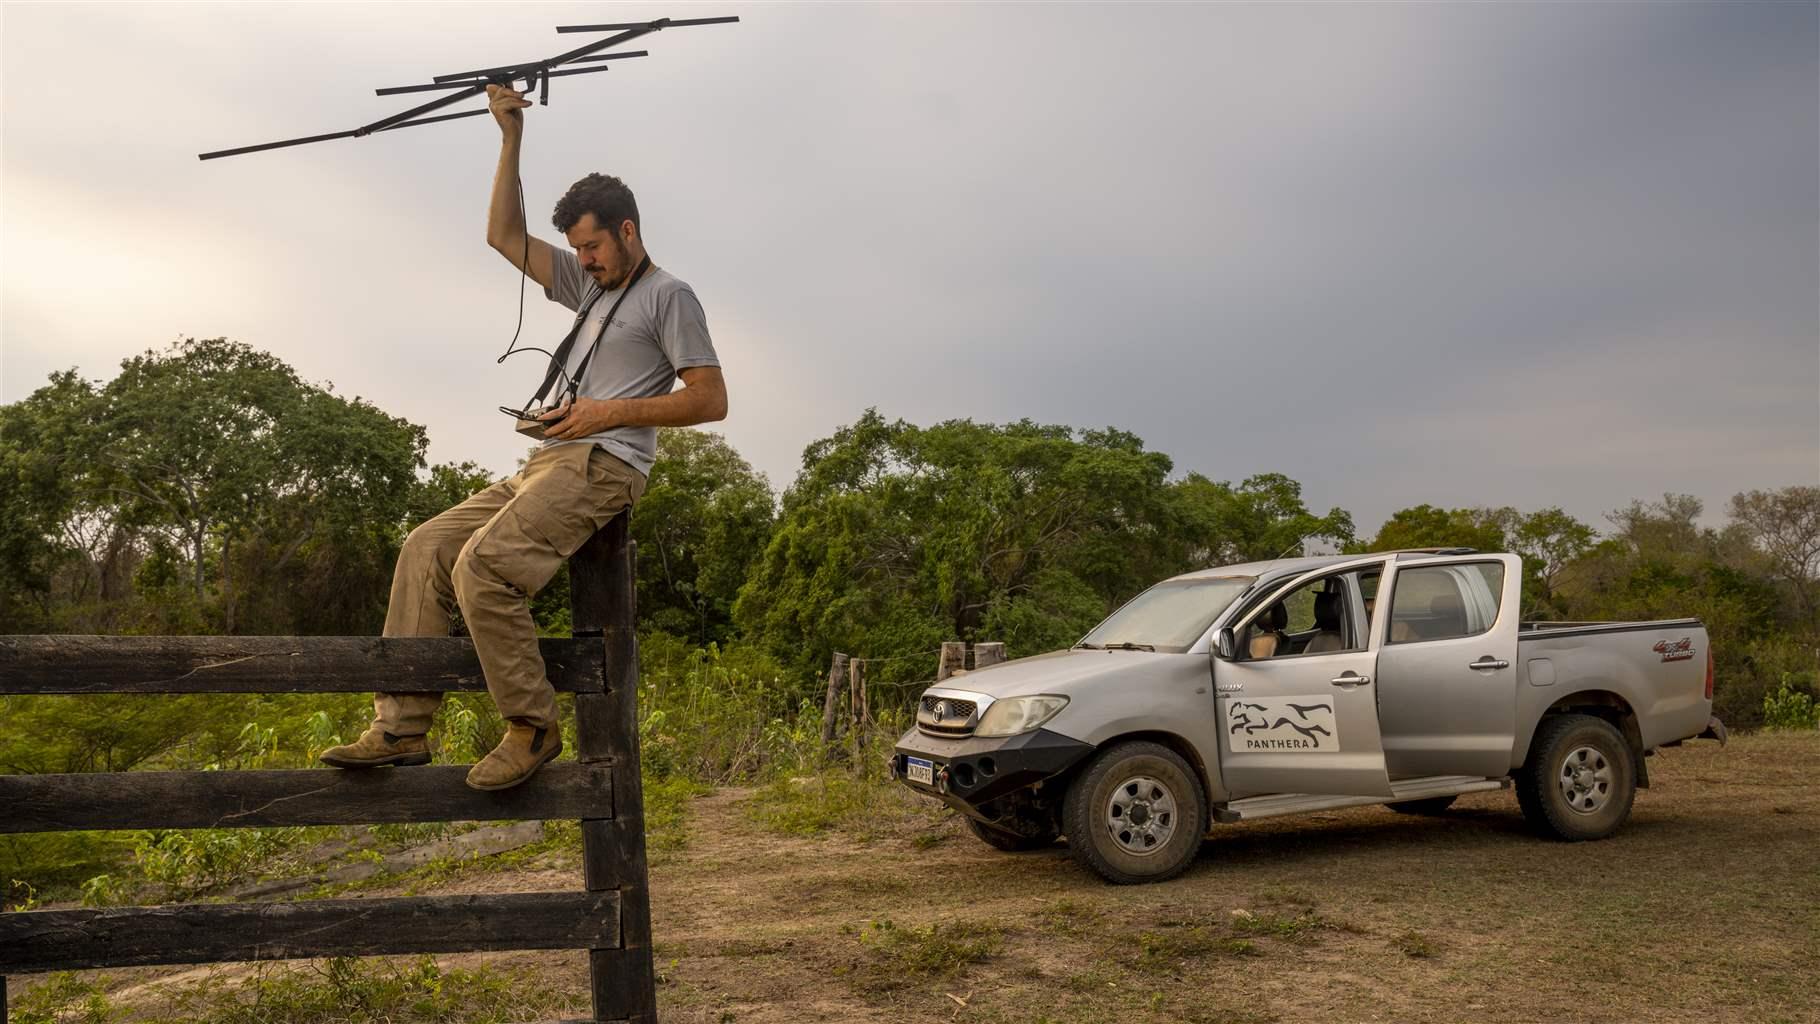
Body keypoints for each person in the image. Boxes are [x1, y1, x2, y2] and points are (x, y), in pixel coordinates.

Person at [319, 83, 728, 790]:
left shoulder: (670, 295)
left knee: (484, 565)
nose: (585, 259)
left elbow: (710, 399)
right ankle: (401, 728)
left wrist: (607, 412)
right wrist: (509, 137)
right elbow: (503, 237)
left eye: (594, 245)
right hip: (552, 458)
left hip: (606, 462)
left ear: (628, 230)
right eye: (578, 249)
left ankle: (532, 726)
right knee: (426, 547)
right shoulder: (591, 287)